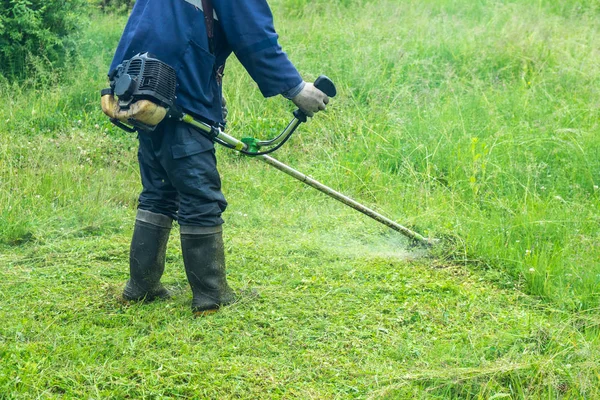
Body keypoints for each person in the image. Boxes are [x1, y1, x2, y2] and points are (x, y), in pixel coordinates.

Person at [109, 0, 329, 316]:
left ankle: (141, 287)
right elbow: (254, 36)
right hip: (179, 94)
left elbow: (138, 27)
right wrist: (296, 89)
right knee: (200, 196)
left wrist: (112, 82)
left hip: (142, 90)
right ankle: (211, 296)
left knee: (159, 191)